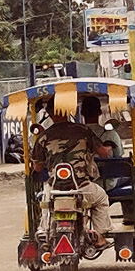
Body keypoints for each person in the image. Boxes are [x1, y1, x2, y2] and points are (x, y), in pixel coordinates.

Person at [31, 97, 113, 255]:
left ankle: (44, 230)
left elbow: (37, 167)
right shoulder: (83, 131)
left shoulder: (43, 137)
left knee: (46, 202)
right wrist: (108, 148)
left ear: (50, 114)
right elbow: (104, 153)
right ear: (68, 110)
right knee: (102, 198)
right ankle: (99, 236)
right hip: (82, 188)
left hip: (55, 189)